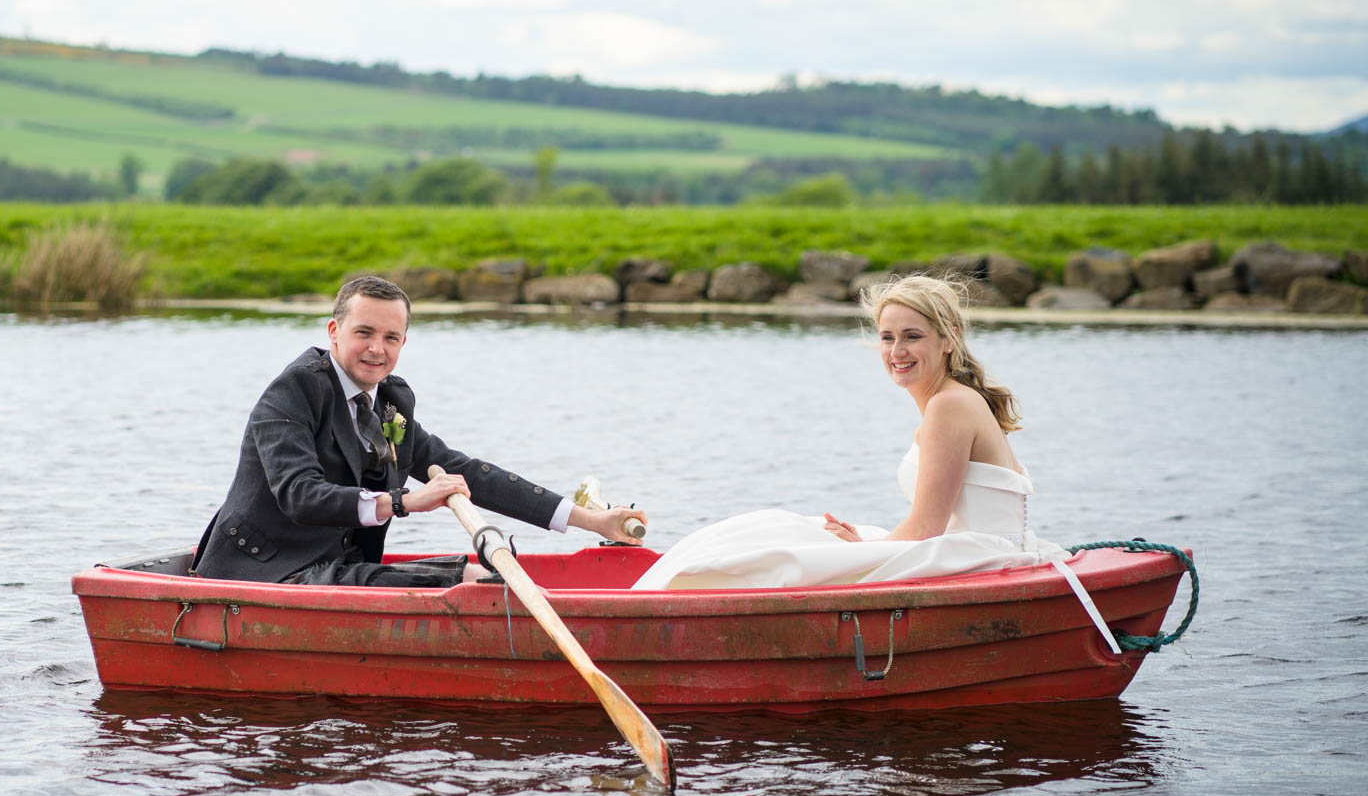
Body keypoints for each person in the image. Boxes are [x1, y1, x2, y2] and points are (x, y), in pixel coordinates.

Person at [193, 275, 647, 586]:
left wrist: (590, 520)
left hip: (335, 568)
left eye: (391, 338)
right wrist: (404, 502)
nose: (377, 349)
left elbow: (469, 473)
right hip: (258, 575)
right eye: (364, 332)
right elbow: (299, 494)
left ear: (403, 342)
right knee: (472, 580)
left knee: (484, 580)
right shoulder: (292, 392)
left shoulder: (392, 401)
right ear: (334, 331)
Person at [633, 274, 1063, 591]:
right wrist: (862, 543)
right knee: (778, 526)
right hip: (960, 547)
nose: (896, 352)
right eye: (887, 337)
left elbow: (927, 529)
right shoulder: (952, 398)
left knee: (782, 545)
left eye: (912, 337)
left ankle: (667, 597)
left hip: (976, 559)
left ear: (948, 338)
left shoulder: (949, 405)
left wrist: (859, 551)